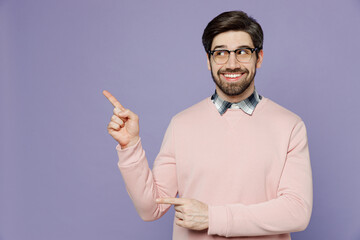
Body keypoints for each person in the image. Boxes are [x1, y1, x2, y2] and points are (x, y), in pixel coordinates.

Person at [103, 10, 313, 240]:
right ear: (208, 60)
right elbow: (151, 208)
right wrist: (130, 147)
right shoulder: (181, 124)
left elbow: (297, 212)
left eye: (242, 52)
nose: (232, 64)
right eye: (221, 53)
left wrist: (213, 218)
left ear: (259, 58)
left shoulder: (290, 126)